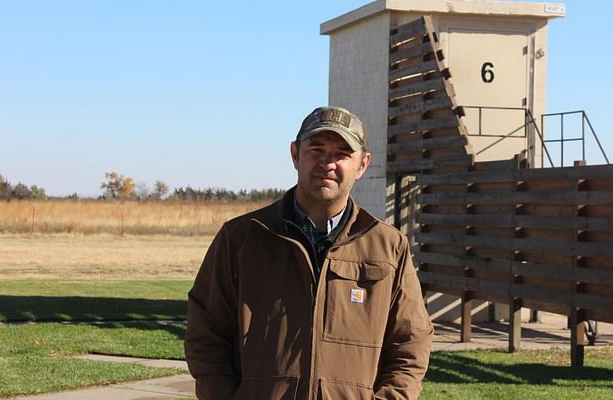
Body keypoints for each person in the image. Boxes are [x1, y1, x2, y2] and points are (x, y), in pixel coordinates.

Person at [185, 106, 434, 400]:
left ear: (363, 164)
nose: (327, 163)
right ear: (295, 154)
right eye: (316, 149)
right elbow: (206, 336)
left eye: (342, 153)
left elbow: (410, 343)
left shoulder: (388, 246)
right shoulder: (241, 238)